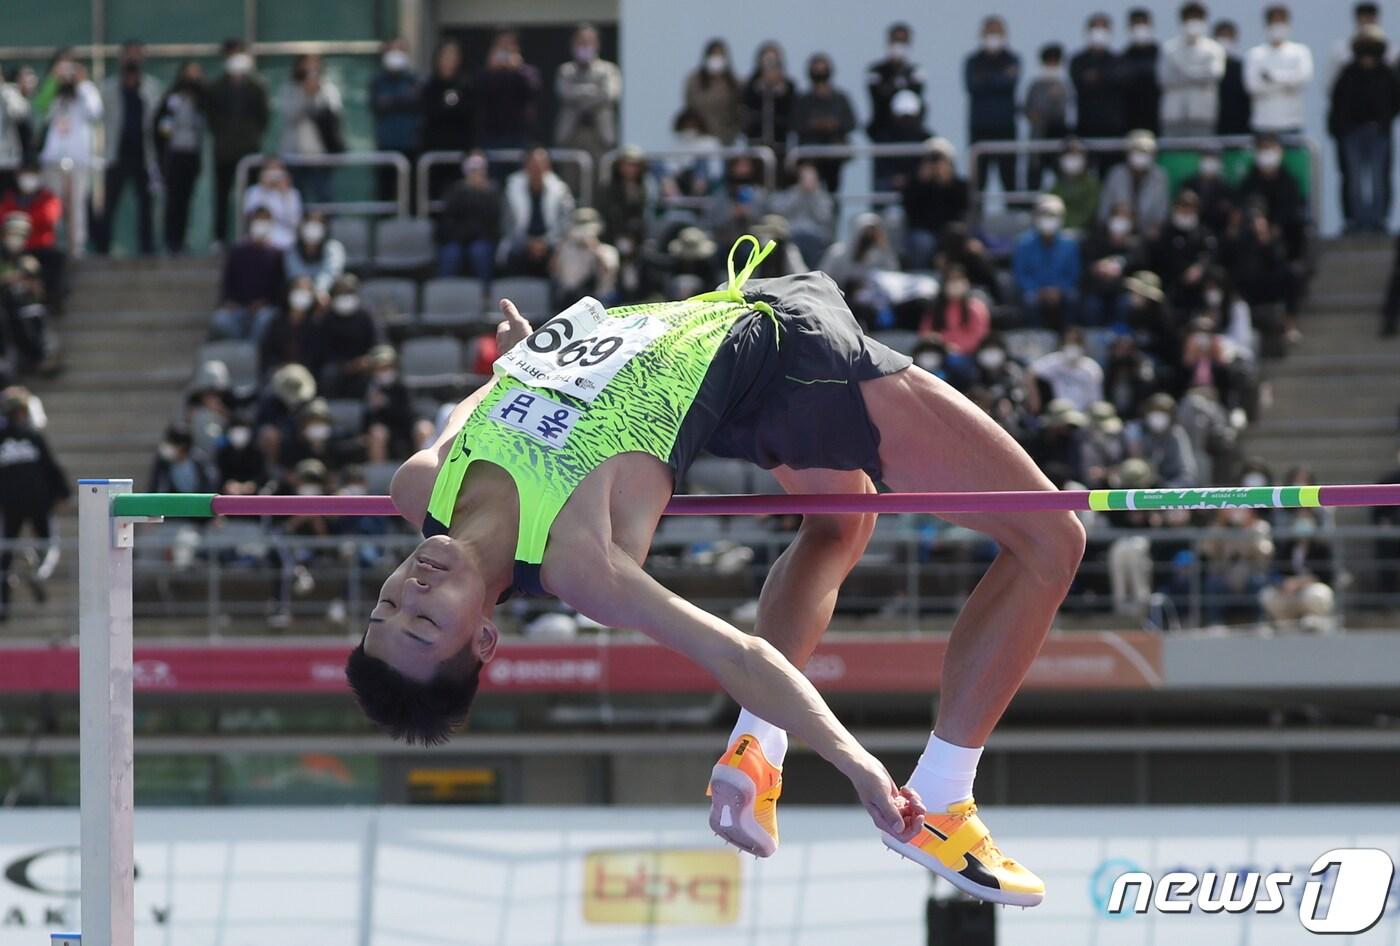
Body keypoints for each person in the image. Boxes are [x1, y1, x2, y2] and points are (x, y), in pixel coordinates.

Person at [347, 238, 1085, 909]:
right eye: (425, 623)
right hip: (791, 361)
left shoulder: (423, 484)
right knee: (1052, 539)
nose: (410, 592)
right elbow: (738, 655)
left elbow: (499, 389)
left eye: (385, 610)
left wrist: (524, 355)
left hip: (728, 359)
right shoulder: (580, 563)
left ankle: (757, 751)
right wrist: (860, 767)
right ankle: (944, 795)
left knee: (841, 523)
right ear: (482, 640)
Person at [0, 387, 68, 621]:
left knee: (6, 549)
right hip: (38, 500)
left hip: (9, 503)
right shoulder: (33, 437)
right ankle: (39, 572)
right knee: (50, 544)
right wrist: (63, 493)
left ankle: (3, 601)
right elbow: (50, 467)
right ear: (22, 413)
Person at [1328, 29, 1400, 235]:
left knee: (1379, 178)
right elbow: (1338, 103)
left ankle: (1378, 221)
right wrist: (1341, 128)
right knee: (1354, 179)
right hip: (1352, 133)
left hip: (1378, 132)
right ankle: (1356, 221)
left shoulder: (1387, 73)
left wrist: (1383, 121)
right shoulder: (1348, 74)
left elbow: (1395, 101)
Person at [95, 40, 161, 256]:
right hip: (116, 154)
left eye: (136, 55)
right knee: (108, 204)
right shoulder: (108, 88)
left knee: (146, 205)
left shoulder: (151, 88)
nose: (132, 59)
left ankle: (147, 249)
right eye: (128, 55)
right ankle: (103, 248)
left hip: (145, 154)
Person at [207, 40, 270, 248]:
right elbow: (211, 119)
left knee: (251, 196)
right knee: (222, 196)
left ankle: (249, 234)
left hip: (249, 150)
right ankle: (219, 238)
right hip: (224, 151)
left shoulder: (256, 85)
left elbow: (264, 117)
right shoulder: (217, 87)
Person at [38, 53, 102, 257]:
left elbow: (96, 113)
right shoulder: (53, 89)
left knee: (77, 205)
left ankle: (77, 248)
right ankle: (53, 244)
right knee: (52, 204)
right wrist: (53, 81)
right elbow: (40, 107)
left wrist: (81, 83)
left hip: (79, 157)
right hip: (53, 157)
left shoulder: (85, 90)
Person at [867, 23, 928, 190]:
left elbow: (917, 94)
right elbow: (878, 97)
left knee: (914, 184)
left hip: (912, 136)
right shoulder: (876, 70)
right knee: (882, 182)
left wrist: (892, 86)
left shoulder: (915, 70)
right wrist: (897, 84)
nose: (899, 46)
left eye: (903, 41)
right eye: (896, 40)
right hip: (883, 133)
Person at [155, 61, 207, 255]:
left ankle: (183, 239)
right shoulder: (172, 98)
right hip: (174, 154)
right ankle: (171, 240)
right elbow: (161, 128)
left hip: (191, 154)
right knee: (173, 200)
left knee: (186, 200)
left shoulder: (200, 101)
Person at [964, 16, 1020, 195]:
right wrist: (998, 77)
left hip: (1006, 127)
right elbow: (973, 86)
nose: (993, 36)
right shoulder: (972, 61)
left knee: (1009, 177)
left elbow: (1008, 83)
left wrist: (987, 78)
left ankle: (1013, 213)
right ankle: (976, 218)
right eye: (990, 32)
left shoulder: (1012, 59)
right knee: (978, 181)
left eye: (997, 32)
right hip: (979, 127)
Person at [0, 161, 65, 312]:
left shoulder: (47, 196)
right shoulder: (9, 196)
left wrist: (19, 219)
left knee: (56, 260)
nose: (28, 178)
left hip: (40, 247)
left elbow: (48, 216)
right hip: (13, 249)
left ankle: (52, 301)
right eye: (25, 173)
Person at [278, 55, 342, 204]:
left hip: (320, 154)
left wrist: (317, 93)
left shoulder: (328, 89)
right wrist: (305, 93)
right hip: (294, 154)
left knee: (325, 196)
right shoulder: (290, 90)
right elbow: (290, 116)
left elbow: (333, 115)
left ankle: (325, 226)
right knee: (297, 197)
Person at [501, 147, 575, 277]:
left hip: (551, 245)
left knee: (562, 259)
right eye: (533, 165)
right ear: (525, 166)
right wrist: (528, 243)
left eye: (541, 164)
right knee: (514, 257)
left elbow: (566, 225)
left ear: (548, 167)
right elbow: (507, 226)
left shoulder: (560, 190)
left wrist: (545, 243)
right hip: (521, 244)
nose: (537, 169)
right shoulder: (511, 189)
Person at [554, 24, 621, 165]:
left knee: (601, 180)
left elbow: (610, 94)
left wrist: (579, 93)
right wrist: (594, 90)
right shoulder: (565, 70)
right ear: (573, 44)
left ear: (596, 44)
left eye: (588, 42)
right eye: (581, 42)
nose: (585, 45)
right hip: (572, 134)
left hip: (600, 135)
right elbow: (565, 93)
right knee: (570, 177)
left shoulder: (608, 69)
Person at [1013, 194, 1080, 329]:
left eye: (1053, 215)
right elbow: (1020, 274)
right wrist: (1039, 291)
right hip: (1035, 292)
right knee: (1029, 300)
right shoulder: (1023, 243)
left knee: (1073, 297)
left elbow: (1074, 273)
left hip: (1061, 292)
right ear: (1036, 217)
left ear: (1061, 219)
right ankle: (1036, 336)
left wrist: (1058, 290)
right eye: (1044, 215)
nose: (1048, 219)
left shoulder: (1070, 244)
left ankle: (1068, 335)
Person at [1158, 2, 1225, 138]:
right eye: (1189, 18)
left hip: (1203, 114)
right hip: (1174, 115)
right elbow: (1164, 78)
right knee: (1173, 153)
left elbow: (1214, 74)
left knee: (1201, 152)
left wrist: (1184, 72)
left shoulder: (1214, 49)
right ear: (1181, 21)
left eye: (1197, 18)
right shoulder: (1169, 48)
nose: (1192, 23)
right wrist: (1199, 74)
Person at [793, 53, 857, 194]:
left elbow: (851, 123)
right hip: (811, 155)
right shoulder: (803, 100)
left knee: (833, 192)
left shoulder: (841, 98)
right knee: (810, 190)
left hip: (835, 156)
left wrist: (834, 125)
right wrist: (815, 126)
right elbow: (796, 124)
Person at [900, 140, 969, 270]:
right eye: (931, 158)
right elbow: (907, 207)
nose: (935, 163)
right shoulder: (914, 183)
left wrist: (946, 182)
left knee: (955, 237)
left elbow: (963, 207)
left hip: (949, 232)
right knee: (922, 242)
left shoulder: (959, 185)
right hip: (922, 231)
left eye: (940, 158)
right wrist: (922, 182)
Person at [1246, 5, 1313, 138]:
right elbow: (1252, 86)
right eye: (1274, 22)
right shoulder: (1255, 54)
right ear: (1267, 25)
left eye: (1281, 22)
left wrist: (1272, 77)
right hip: (1263, 124)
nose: (1277, 26)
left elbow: (1303, 79)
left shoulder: (1300, 52)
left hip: (1292, 123)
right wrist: (1288, 81)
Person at [419, 39, 474, 201]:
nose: (449, 60)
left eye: (453, 56)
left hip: (460, 151)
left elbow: (470, 116)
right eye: (445, 56)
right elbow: (429, 113)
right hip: (435, 152)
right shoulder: (429, 87)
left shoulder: (466, 85)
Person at [1069, 14, 1125, 172]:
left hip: (1113, 130)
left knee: (1110, 174)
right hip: (1086, 129)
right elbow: (1080, 82)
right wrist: (1107, 77)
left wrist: (1097, 77)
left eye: (1103, 28)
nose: (1098, 32)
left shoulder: (1117, 60)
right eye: (1095, 28)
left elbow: (1120, 81)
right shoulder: (1078, 61)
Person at [370, 38, 422, 206]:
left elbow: (416, 102)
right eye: (392, 50)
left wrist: (392, 101)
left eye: (400, 50)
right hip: (386, 144)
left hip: (409, 144)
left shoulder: (413, 79)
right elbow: (378, 105)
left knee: (411, 193)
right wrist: (403, 99)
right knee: (385, 193)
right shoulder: (378, 81)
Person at [437, 151, 501, 282]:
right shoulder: (455, 191)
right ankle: (443, 293)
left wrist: (481, 192)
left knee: (479, 251)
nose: (476, 173)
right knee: (451, 253)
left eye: (480, 169)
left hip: (483, 239)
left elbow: (494, 222)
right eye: (473, 169)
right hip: (458, 239)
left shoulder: (493, 192)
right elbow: (447, 222)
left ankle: (486, 293)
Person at [477, 31, 540, 151]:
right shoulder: (487, 73)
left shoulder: (527, 72)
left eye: (509, 45)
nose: (505, 50)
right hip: (492, 134)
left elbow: (534, 91)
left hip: (519, 134)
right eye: (501, 45)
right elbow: (479, 93)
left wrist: (519, 69)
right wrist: (491, 70)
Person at [1099, 130, 1169, 234]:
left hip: (1147, 233)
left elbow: (1162, 213)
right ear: (1128, 152)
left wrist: (1154, 228)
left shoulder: (1160, 176)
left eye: (1144, 152)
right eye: (1137, 150)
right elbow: (1103, 211)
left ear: (1153, 154)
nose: (1140, 155)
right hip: (1116, 231)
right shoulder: (1116, 174)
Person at [770, 162, 836, 269]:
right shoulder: (791, 193)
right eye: (805, 177)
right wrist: (799, 193)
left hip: (816, 238)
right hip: (793, 236)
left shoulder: (823, 197)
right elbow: (779, 210)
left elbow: (824, 218)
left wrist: (813, 196)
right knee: (790, 251)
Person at [1023, 44, 1070, 190]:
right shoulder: (1034, 85)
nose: (1051, 65)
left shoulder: (1066, 85)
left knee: (1063, 175)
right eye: (1048, 61)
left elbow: (1064, 111)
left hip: (1059, 135)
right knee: (1034, 174)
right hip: (1038, 136)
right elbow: (1027, 108)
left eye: (1054, 61)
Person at [1029, 328, 1102, 410]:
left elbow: (1096, 400)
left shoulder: (1092, 368)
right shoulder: (1054, 361)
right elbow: (1031, 373)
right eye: (1068, 341)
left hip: (1084, 412)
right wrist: (1035, 399)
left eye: (1075, 342)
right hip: (1061, 412)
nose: (1071, 345)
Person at [684, 39, 742, 145]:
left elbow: (737, 112)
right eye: (714, 54)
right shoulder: (695, 81)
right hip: (700, 139)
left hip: (726, 138)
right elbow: (689, 107)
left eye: (720, 55)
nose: (716, 59)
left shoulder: (734, 83)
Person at [743, 42, 796, 155]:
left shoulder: (789, 86)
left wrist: (780, 91)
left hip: (781, 142)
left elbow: (791, 110)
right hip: (755, 142)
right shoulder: (750, 85)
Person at [241, 157, 302, 250]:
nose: (274, 175)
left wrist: (284, 196)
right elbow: (249, 216)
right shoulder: (254, 191)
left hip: (285, 239)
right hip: (259, 237)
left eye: (277, 170)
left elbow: (294, 221)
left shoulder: (292, 193)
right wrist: (264, 191)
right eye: (270, 170)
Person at [284, 211, 345, 297]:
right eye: (310, 221)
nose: (314, 226)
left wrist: (319, 290)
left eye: (318, 222)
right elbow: (296, 275)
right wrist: (308, 288)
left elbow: (331, 273)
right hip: (300, 293)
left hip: (327, 293)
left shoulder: (334, 248)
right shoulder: (292, 250)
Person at [1121, 9, 1162, 136]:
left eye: (1143, 24)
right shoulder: (1123, 56)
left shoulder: (1161, 54)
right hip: (1130, 117)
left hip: (1157, 115)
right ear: (1129, 28)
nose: (1140, 28)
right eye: (1136, 24)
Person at [1181, 145, 1238, 236]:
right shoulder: (1189, 185)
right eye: (1206, 158)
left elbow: (1231, 216)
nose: (1209, 163)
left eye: (1213, 159)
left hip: (1218, 234)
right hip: (1191, 234)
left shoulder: (1226, 189)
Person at [1050, 138, 1100, 233]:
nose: (1072, 158)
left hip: (1086, 233)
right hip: (1058, 233)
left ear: (1085, 158)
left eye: (1077, 154)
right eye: (1069, 153)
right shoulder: (1053, 183)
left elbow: (1089, 213)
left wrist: (1071, 228)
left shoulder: (1092, 184)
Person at [1214, 20, 1252, 136]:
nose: (1224, 40)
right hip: (1213, 123)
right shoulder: (1207, 68)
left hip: (1239, 124)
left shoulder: (1242, 67)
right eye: (1221, 36)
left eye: (1228, 36)